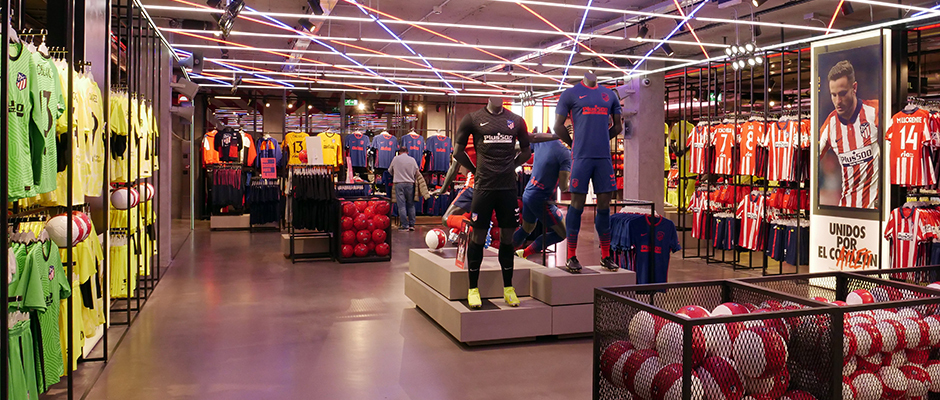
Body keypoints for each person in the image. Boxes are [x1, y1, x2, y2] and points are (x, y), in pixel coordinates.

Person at [453, 97, 531, 309]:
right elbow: (457, 152)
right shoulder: (472, 119)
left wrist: (511, 166)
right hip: (484, 189)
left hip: (507, 189)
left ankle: (508, 288)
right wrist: (475, 170)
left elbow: (527, 151)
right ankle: (473, 289)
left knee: (507, 239)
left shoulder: (516, 120)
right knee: (478, 237)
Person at [554, 72, 623, 273]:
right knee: (577, 205)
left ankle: (606, 256)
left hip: (603, 159)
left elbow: (618, 126)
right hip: (581, 158)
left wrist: (602, 139)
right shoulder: (570, 94)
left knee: (604, 206)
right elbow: (558, 126)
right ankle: (571, 256)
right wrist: (573, 144)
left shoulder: (610, 95)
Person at [819, 60, 880, 209]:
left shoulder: (875, 112)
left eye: (842, 93)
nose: (837, 101)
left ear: (854, 88)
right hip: (845, 209)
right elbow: (811, 161)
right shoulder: (830, 124)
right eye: (833, 95)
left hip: (875, 212)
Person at [512, 135, 570, 259]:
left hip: (528, 194)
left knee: (527, 228)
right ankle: (524, 253)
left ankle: (506, 250)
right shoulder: (565, 154)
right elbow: (563, 187)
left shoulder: (542, 141)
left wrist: (509, 162)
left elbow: (521, 147)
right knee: (564, 232)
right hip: (541, 199)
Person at [389, 147, 419, 231]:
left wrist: (396, 175)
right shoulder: (412, 160)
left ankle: (405, 225)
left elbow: (390, 170)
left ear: (399, 152)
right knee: (411, 205)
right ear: (407, 152)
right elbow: (416, 172)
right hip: (410, 184)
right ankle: (412, 224)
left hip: (399, 183)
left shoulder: (395, 159)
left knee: (401, 205)